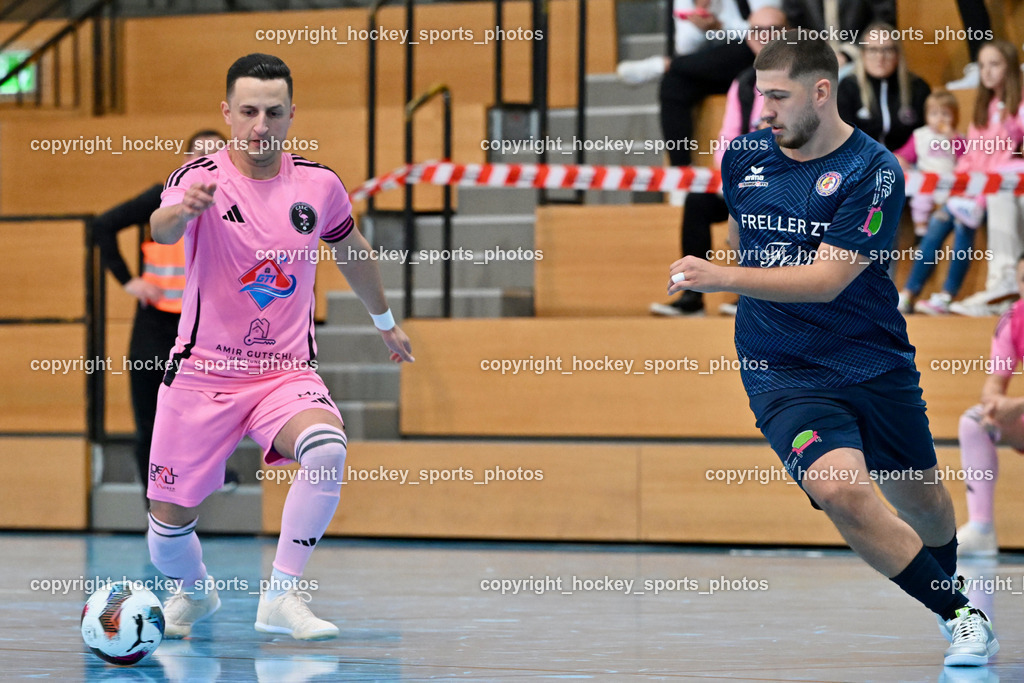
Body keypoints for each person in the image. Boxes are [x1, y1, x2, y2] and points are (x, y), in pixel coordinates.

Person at [664, 37, 998, 666]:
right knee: (842, 491)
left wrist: (722, 277)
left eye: (778, 96)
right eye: (760, 95)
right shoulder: (743, 157)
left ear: (821, 92)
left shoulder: (873, 169)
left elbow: (827, 280)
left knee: (923, 500)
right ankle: (959, 614)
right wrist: (738, 271)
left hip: (872, 359)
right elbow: (742, 236)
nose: (765, 110)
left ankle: (945, 590)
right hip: (780, 369)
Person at [146, 53, 414, 641]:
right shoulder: (198, 178)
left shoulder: (319, 185)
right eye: (248, 112)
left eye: (273, 112)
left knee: (327, 448)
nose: (260, 126)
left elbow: (351, 249)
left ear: (292, 114)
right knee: (165, 531)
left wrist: (384, 321)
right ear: (227, 112)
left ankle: (281, 594)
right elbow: (160, 228)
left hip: (283, 373)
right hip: (202, 376)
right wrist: (182, 211)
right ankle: (194, 591)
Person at [95, 130, 227, 499]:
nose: (205, 165)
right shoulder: (162, 199)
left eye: (214, 158)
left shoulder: (234, 205)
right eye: (198, 156)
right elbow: (102, 226)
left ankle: (202, 487)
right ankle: (154, 507)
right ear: (184, 161)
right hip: (156, 328)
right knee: (151, 422)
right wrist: (128, 281)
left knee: (208, 417)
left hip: (207, 329)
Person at [650, 5, 788, 316]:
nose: (764, 38)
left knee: (761, 200)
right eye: (757, 31)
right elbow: (726, 141)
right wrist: (736, 176)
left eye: (772, 31)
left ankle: (757, 295)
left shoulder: (800, 82)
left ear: (788, 35)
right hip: (746, 179)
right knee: (697, 201)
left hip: (788, 181)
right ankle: (692, 298)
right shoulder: (743, 83)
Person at [901, 41, 1024, 316]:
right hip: (972, 189)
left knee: (961, 221)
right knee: (939, 220)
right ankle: (909, 293)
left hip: (997, 189)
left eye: (995, 64)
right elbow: (969, 156)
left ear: (1010, 68)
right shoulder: (984, 108)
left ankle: (948, 295)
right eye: (982, 65)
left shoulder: (1018, 106)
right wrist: (961, 188)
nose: (987, 72)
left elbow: (1007, 157)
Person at [956, 253, 1024, 557]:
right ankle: (981, 528)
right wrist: (998, 403)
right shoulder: (1014, 319)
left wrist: (1018, 405)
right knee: (976, 421)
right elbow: (992, 388)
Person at [836, 22, 930, 152]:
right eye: (873, 50)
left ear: (897, 54)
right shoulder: (848, 87)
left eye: (887, 50)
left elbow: (926, 133)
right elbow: (843, 137)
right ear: (863, 54)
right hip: (862, 159)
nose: (880, 57)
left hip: (907, 160)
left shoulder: (917, 87)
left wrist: (904, 156)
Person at [893, 91, 964, 241]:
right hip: (926, 179)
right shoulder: (920, 135)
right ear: (926, 116)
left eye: (945, 114)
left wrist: (953, 138)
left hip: (949, 180)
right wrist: (898, 158)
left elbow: (964, 157)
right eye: (934, 114)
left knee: (954, 200)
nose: (939, 118)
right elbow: (906, 154)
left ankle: (946, 218)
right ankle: (920, 228)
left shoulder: (957, 137)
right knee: (920, 200)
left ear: (955, 116)